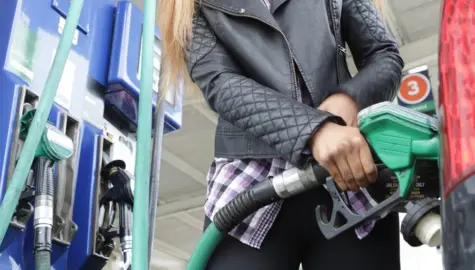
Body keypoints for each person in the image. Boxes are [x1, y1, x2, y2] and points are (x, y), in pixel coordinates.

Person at [159, 0, 404, 269]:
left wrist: (348, 99)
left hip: (351, 175)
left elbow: (384, 55)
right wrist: (315, 129)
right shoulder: (190, 5)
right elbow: (219, 82)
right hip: (246, 187)